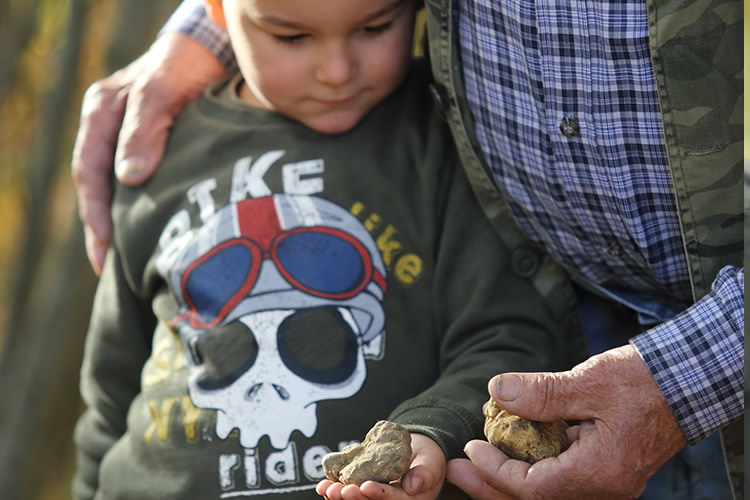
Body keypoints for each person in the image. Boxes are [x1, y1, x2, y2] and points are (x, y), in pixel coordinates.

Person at [70, 0, 744, 499]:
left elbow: (503, 335)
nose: (337, 70)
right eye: (291, 35)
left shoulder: (445, 141)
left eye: (374, 27)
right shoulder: (156, 155)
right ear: (214, 10)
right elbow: (107, 399)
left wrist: (430, 433)